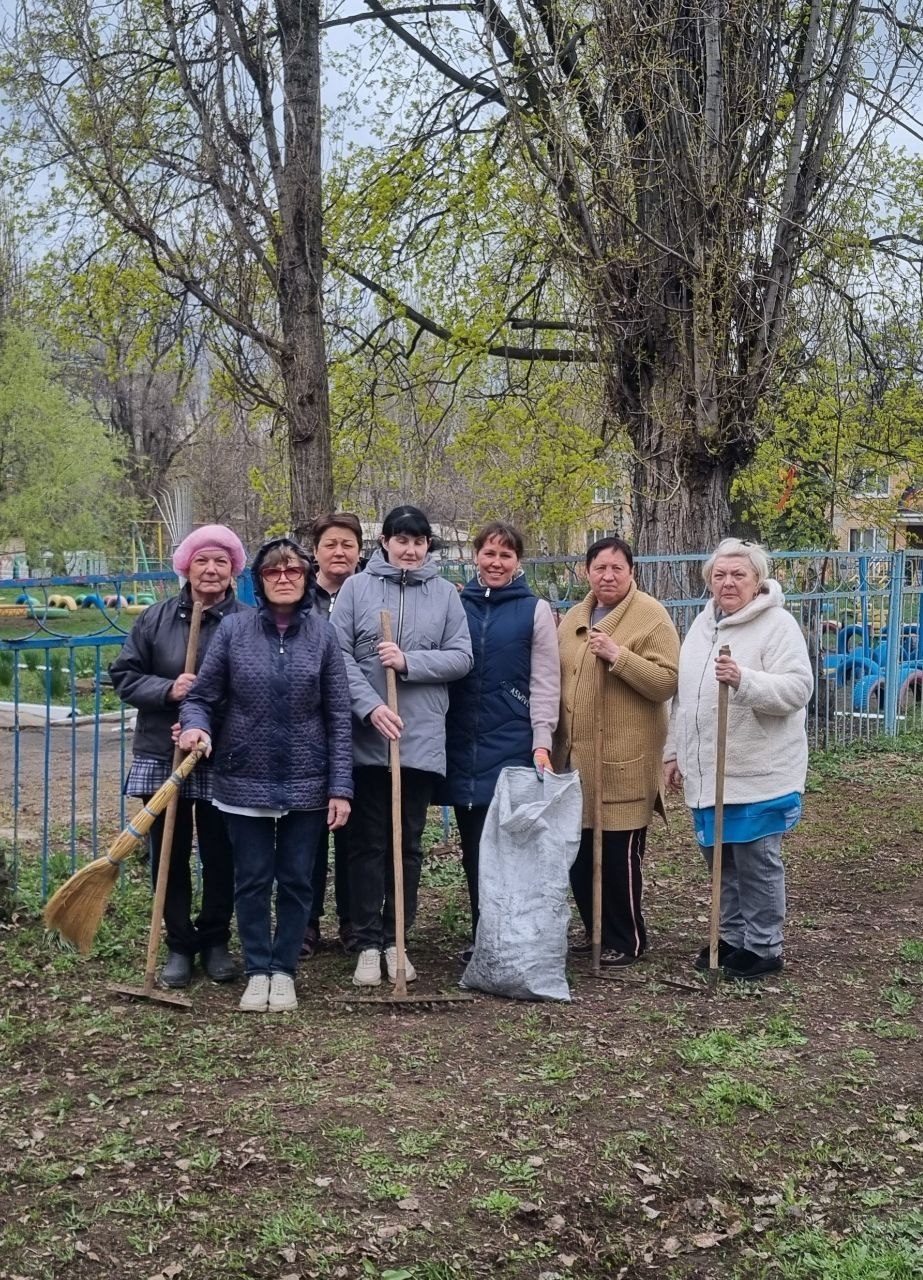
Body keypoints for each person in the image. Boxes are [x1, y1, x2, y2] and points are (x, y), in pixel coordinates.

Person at [178, 537, 353, 1012]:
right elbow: (200, 698)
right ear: (259, 580)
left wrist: (340, 787)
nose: (283, 579)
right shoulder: (234, 632)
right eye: (273, 572)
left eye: (293, 571)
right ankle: (258, 969)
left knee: (297, 879)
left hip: (307, 782)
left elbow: (338, 716)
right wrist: (195, 729)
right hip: (242, 777)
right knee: (252, 879)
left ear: (305, 578)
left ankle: (285, 971)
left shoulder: (323, 635)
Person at [331, 505, 473, 988]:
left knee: (407, 844)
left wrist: (409, 661)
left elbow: (461, 656)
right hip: (370, 736)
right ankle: (368, 942)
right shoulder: (356, 588)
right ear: (385, 542)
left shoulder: (445, 596)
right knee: (367, 843)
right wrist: (370, 707)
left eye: (418, 541)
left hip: (420, 738)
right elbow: (339, 655)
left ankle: (398, 939)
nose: (409, 549)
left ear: (427, 546)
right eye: (400, 540)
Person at [663, 537, 813, 979]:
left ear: (757, 581)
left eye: (738, 575)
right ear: (710, 580)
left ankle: (764, 946)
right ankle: (729, 938)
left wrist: (745, 680)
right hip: (710, 772)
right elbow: (684, 698)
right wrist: (673, 753)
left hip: (758, 771)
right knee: (719, 859)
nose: (728, 583)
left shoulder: (777, 625)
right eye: (720, 575)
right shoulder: (702, 626)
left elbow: (797, 689)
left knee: (755, 860)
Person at [110, 524, 250, 989]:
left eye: (221, 562)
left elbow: (256, 689)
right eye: (202, 561)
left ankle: (214, 940)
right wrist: (170, 689)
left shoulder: (246, 623)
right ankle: (177, 944)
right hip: (162, 749)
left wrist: (206, 717)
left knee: (220, 851)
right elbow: (125, 675)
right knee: (167, 852)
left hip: (220, 752)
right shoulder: (156, 619)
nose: (211, 570)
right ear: (186, 567)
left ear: (233, 572)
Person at [554, 536, 679, 966]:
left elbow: (666, 682)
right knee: (580, 856)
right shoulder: (574, 617)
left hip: (623, 762)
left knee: (618, 858)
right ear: (587, 571)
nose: (607, 576)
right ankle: (595, 933)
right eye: (599, 568)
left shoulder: (651, 617)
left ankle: (627, 940)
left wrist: (618, 656)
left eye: (617, 568)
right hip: (576, 763)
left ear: (632, 572)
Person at [441, 521, 560, 958]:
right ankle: (483, 936)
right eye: (489, 553)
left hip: (511, 743)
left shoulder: (535, 611)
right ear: (476, 557)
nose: (496, 562)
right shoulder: (455, 604)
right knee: (474, 847)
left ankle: (511, 936)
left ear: (518, 563)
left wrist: (541, 740)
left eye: (505, 555)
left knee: (508, 848)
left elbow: (545, 681)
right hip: (459, 743)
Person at [301, 511, 364, 959]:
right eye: (331, 545)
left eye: (347, 544)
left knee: (353, 836)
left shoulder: (369, 594)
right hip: (304, 730)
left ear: (359, 551)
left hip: (357, 731)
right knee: (306, 836)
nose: (339, 552)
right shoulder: (297, 597)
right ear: (316, 552)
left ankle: (352, 923)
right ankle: (304, 925)